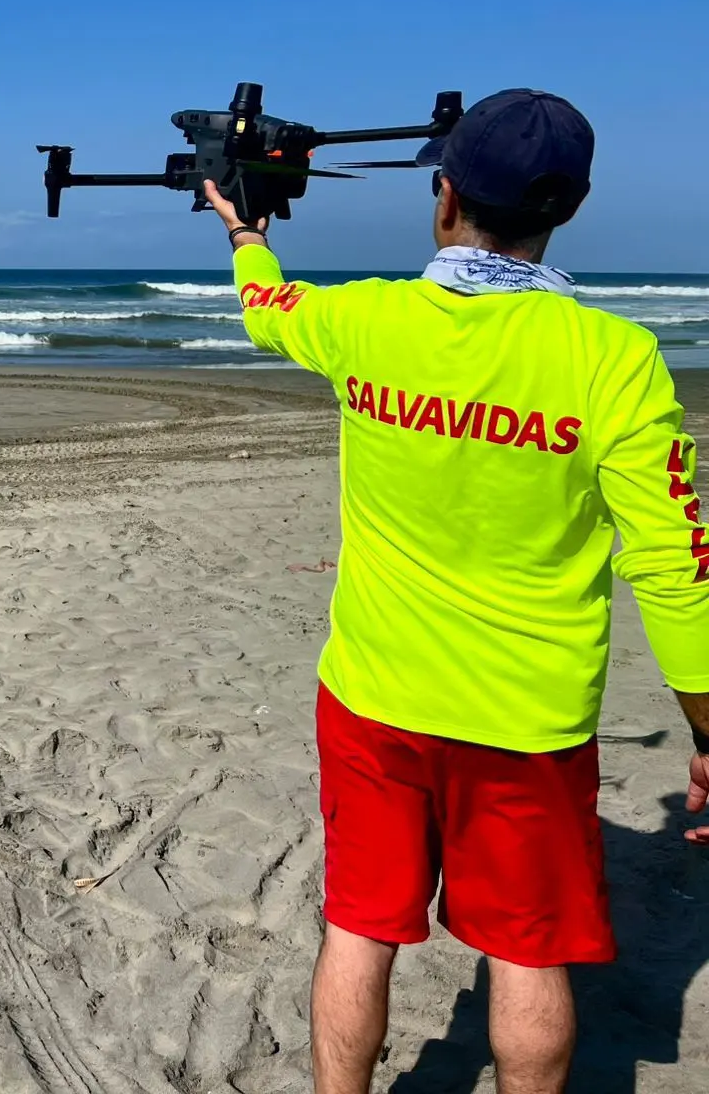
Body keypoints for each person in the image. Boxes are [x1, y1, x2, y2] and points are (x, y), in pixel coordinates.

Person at [200, 88, 709, 1094]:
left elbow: (266, 312)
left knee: (358, 929)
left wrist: (246, 236)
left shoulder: (365, 320)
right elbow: (676, 565)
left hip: (373, 698)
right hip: (526, 720)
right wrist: (704, 729)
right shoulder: (615, 362)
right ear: (567, 209)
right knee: (528, 952)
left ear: (444, 198)